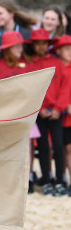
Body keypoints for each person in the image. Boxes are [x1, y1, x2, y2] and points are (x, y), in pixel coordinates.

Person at [26, 28, 69, 196]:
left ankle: (60, 180)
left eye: (44, 43)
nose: (42, 46)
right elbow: (31, 88)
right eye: (38, 43)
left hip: (56, 113)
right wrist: (39, 108)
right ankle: (46, 181)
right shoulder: (31, 63)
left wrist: (59, 108)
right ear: (33, 45)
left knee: (58, 146)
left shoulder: (57, 63)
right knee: (43, 147)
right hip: (39, 113)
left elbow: (65, 88)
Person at [53, 35, 71, 195]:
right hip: (61, 116)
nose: (69, 51)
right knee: (63, 148)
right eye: (66, 48)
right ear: (58, 51)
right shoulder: (56, 68)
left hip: (68, 114)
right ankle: (63, 180)